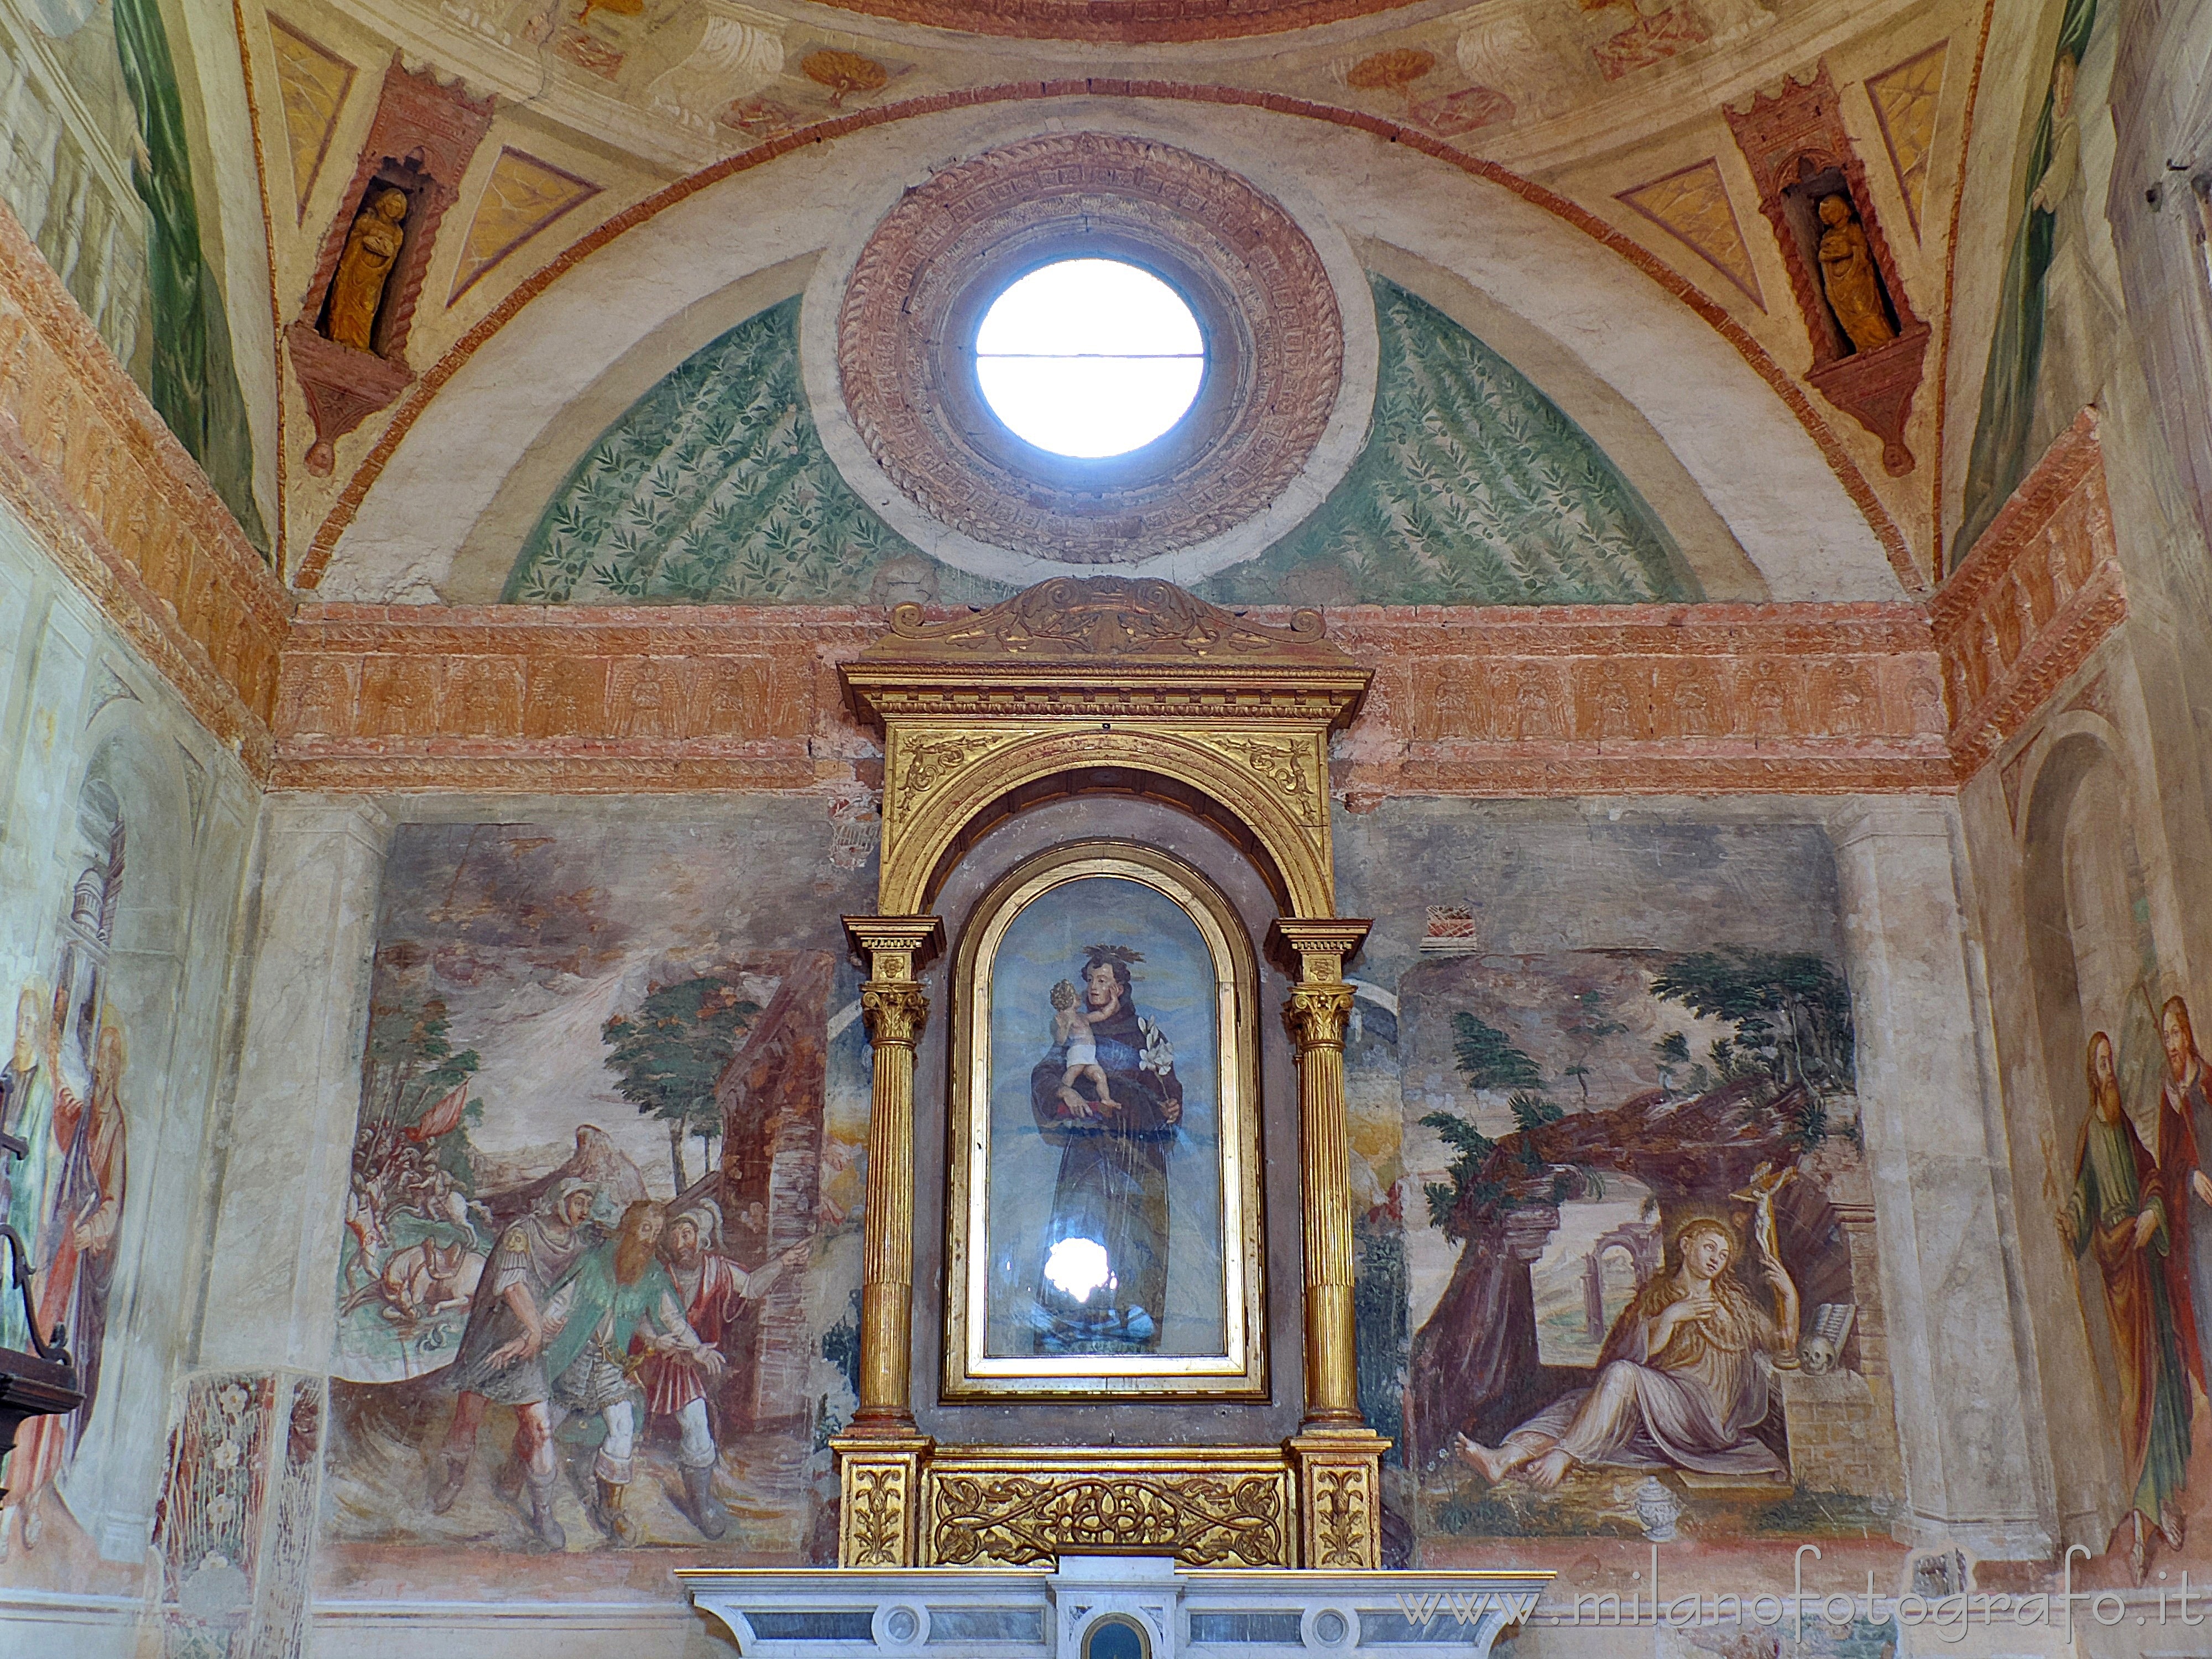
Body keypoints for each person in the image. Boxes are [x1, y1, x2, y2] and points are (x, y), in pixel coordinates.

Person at [1455, 1211, 1798, 1490]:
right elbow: (1636, 1355)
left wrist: (1789, 1296)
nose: (1716, 1260)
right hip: (1667, 1401)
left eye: (1723, 1255)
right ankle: (1504, 1458)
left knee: (1621, 1377)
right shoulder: (1658, 1296)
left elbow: (1783, 1344)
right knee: (1580, 1402)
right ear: (1687, 1244)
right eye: (1710, 1248)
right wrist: (1669, 1318)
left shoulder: (1734, 1302)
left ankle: (1563, 1455)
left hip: (1706, 1412)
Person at [2060, 1031, 2195, 1582]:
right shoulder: (2091, 1135)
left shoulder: (2125, 1130)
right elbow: (2079, 1197)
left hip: (2146, 1271)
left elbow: (2153, 1177)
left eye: (2110, 1060)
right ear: (2092, 1076)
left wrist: (2154, 1213)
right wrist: (2070, 1222)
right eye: (2100, 1063)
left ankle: (2164, 1502)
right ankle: (2141, 1522)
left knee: (2162, 1381)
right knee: (2135, 1396)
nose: (2109, 1069)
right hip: (2119, 1278)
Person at [7, 1018, 128, 1548]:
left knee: (51, 1351)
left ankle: (33, 1487)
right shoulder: (86, 1113)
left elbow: (112, 1198)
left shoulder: (114, 1125)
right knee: (35, 1338)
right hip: (56, 1251)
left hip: (74, 1259)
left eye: (107, 1056)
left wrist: (92, 1231)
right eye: (96, 1056)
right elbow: (63, 1132)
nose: (100, 1066)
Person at [534, 1200, 718, 1546]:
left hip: (608, 1368)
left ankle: (609, 1508)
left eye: (657, 1232)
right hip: (572, 1361)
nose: (650, 1239)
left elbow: (673, 1319)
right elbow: (560, 1300)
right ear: (629, 1227)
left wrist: (696, 1348)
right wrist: (546, 1322)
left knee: (623, 1427)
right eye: (645, 1229)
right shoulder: (592, 1261)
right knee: (542, 1428)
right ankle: (528, 1490)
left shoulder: (651, 1275)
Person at [1027, 947, 1182, 1354]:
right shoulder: (1077, 1029)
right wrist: (1063, 1089)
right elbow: (1047, 1071)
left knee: (1135, 1231)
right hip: (1091, 1149)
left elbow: (1167, 1082)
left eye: (1101, 981)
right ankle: (1077, 1317)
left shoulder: (1145, 1034)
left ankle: (1132, 1316)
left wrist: (1171, 1106)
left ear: (1118, 987)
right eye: (1090, 980)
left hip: (1138, 1149)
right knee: (1085, 1220)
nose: (1093, 988)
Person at [429, 1177, 597, 1542]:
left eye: (588, 1204)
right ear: (558, 1200)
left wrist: (535, 1335)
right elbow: (512, 1285)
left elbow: (566, 1300)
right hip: (493, 1339)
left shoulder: (580, 1249)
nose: (584, 1211)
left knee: (539, 1429)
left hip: (528, 1346)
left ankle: (543, 1513)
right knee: (467, 1421)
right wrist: (534, 1331)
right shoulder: (522, 1233)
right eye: (578, 1201)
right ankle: (454, 1482)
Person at [639, 1199, 807, 1537]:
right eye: (674, 1235)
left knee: (698, 1427)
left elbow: (751, 1286)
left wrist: (782, 1264)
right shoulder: (658, 1274)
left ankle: (700, 1505)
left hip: (691, 1366)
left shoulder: (717, 1270)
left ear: (702, 1238)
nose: (680, 1242)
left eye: (687, 1233)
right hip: (653, 1360)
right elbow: (646, 1319)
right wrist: (661, 1343)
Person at [2156, 995, 2212, 1388]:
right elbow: (2167, 1167)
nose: (2171, 1044)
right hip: (2197, 1227)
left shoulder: (2209, 1084)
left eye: (2175, 1033)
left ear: (2188, 1033)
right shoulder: (2169, 1101)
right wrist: (2190, 1175)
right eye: (2166, 1037)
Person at [326, 186, 408, 352]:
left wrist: (384, 252)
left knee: (367, 306)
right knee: (346, 299)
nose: (393, 209)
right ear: (384, 203)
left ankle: (360, 343)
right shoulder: (367, 220)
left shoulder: (397, 232)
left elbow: (393, 255)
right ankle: (339, 335)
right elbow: (354, 238)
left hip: (374, 275)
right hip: (355, 269)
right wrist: (365, 240)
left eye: (398, 208)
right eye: (391, 204)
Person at [1051, 978, 1115, 1114]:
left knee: (1100, 1076)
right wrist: (1064, 1026)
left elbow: (1103, 1014)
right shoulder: (1065, 1019)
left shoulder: (1082, 1017)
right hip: (1078, 1052)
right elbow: (1061, 1041)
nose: (1079, 996)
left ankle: (1106, 1099)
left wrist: (1114, 1001)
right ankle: (1062, 1098)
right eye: (1074, 995)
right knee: (1072, 1073)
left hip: (1090, 1055)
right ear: (1067, 998)